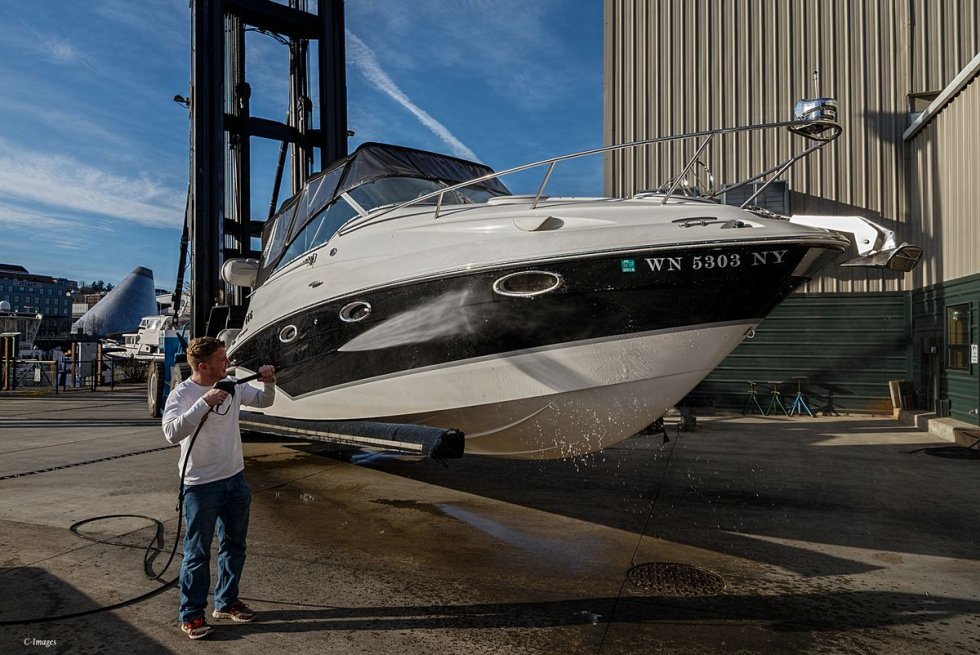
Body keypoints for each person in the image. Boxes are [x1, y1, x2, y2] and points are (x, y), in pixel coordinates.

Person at [161, 336, 276, 640]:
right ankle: (192, 615)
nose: (227, 363)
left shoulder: (233, 384)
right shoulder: (183, 393)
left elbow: (265, 401)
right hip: (200, 486)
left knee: (235, 545)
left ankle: (226, 602)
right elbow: (171, 432)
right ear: (203, 366)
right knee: (197, 553)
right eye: (222, 359)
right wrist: (204, 402)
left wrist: (268, 382)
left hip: (235, 479)